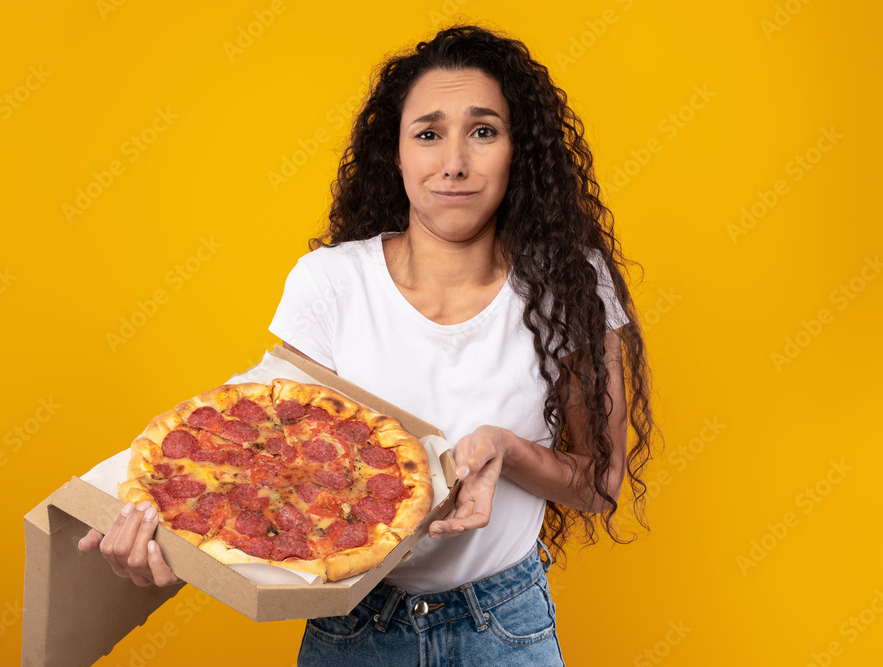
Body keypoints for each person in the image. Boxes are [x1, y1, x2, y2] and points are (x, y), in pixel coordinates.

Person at [79, 23, 658, 665]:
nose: (454, 162)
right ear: (396, 153)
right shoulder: (331, 281)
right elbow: (263, 461)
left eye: (484, 131)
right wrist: (173, 539)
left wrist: (506, 449)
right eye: (429, 133)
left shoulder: (570, 282)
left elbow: (599, 484)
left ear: (519, 150)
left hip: (503, 622)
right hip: (353, 629)